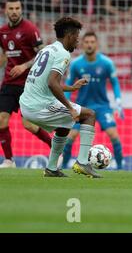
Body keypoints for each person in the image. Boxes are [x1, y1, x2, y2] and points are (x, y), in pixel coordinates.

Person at [19, 17, 102, 178]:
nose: (77, 41)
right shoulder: (63, 54)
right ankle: (83, 163)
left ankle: (51, 168)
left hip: (27, 104)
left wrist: (71, 87)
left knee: (64, 125)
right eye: (76, 37)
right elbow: (51, 83)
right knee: (89, 115)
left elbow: (47, 81)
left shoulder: (47, 49)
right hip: (39, 106)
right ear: (69, 35)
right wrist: (70, 108)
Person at [0, 0, 53, 168]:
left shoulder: (30, 29)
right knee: (1, 120)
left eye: (17, 8)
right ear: (6, 10)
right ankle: (9, 160)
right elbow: (3, 56)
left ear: (21, 9)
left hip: (28, 83)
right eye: (11, 9)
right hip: (9, 82)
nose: (14, 12)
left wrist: (24, 66)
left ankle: (56, 147)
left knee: (28, 125)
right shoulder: (2, 31)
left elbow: (43, 53)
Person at [62, 31, 124, 170]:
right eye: (87, 42)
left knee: (114, 135)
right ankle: (65, 166)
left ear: (96, 44)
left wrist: (118, 102)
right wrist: (67, 106)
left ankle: (121, 168)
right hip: (82, 106)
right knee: (70, 136)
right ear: (82, 44)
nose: (89, 45)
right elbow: (68, 84)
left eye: (92, 42)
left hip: (102, 106)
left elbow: (115, 83)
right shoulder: (76, 64)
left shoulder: (107, 63)